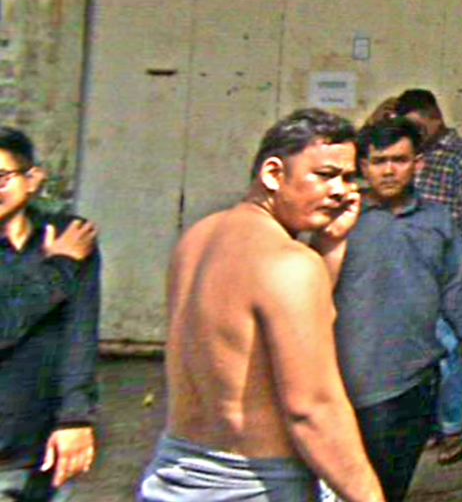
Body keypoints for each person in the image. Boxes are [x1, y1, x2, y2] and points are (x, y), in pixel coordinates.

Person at [139, 108, 385, 502]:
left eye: (347, 178)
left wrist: (330, 245)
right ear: (273, 174)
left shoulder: (199, 238)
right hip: (255, 484)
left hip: (174, 473)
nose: (341, 191)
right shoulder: (289, 264)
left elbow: (271, 335)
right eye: (325, 175)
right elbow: (312, 410)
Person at [321, 118, 462, 502]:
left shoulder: (437, 220)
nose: (389, 170)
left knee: (392, 485)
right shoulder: (340, 220)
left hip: (416, 379)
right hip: (350, 379)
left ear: (418, 164)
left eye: (399, 160)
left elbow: (453, 286)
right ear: (363, 166)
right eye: (379, 161)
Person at [0, 126, 100, 501]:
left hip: (43, 449)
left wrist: (75, 417)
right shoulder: (66, 254)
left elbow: (80, 332)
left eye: (1, 178)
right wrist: (59, 268)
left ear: (32, 180)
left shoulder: (69, 236)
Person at [395, 89, 462, 464]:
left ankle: (454, 426)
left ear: (435, 117)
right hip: (407, 271)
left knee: (449, 349)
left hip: (442, 273)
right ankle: (434, 425)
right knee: (422, 352)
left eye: (419, 127)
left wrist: (456, 278)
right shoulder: (410, 154)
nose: (414, 134)